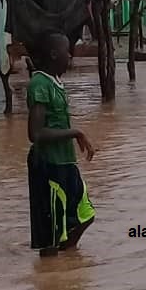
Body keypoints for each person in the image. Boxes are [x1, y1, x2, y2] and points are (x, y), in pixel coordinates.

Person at [27, 31, 96, 256]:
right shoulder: (39, 83)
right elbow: (35, 133)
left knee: (85, 215)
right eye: (67, 51)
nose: (70, 56)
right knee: (51, 232)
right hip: (49, 164)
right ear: (54, 54)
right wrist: (75, 133)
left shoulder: (56, 83)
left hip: (65, 162)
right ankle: (51, 276)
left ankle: (67, 263)